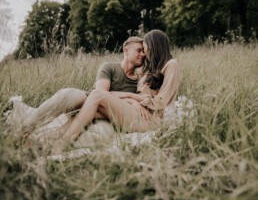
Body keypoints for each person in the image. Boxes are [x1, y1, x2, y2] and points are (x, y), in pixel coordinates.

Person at [53, 30, 181, 154]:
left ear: (153, 45)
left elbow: (161, 102)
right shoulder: (149, 70)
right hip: (136, 111)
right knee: (91, 109)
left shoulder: (171, 64)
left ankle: (62, 144)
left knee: (97, 95)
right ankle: (48, 140)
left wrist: (130, 95)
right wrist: (132, 100)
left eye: (145, 47)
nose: (144, 52)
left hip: (150, 119)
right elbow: (140, 96)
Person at [22, 36, 145, 135]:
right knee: (68, 95)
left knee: (100, 134)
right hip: (87, 100)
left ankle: (41, 145)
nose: (143, 55)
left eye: (144, 52)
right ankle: (23, 129)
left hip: (107, 117)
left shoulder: (140, 81)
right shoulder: (109, 67)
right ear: (126, 51)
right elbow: (101, 93)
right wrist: (130, 98)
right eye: (139, 50)